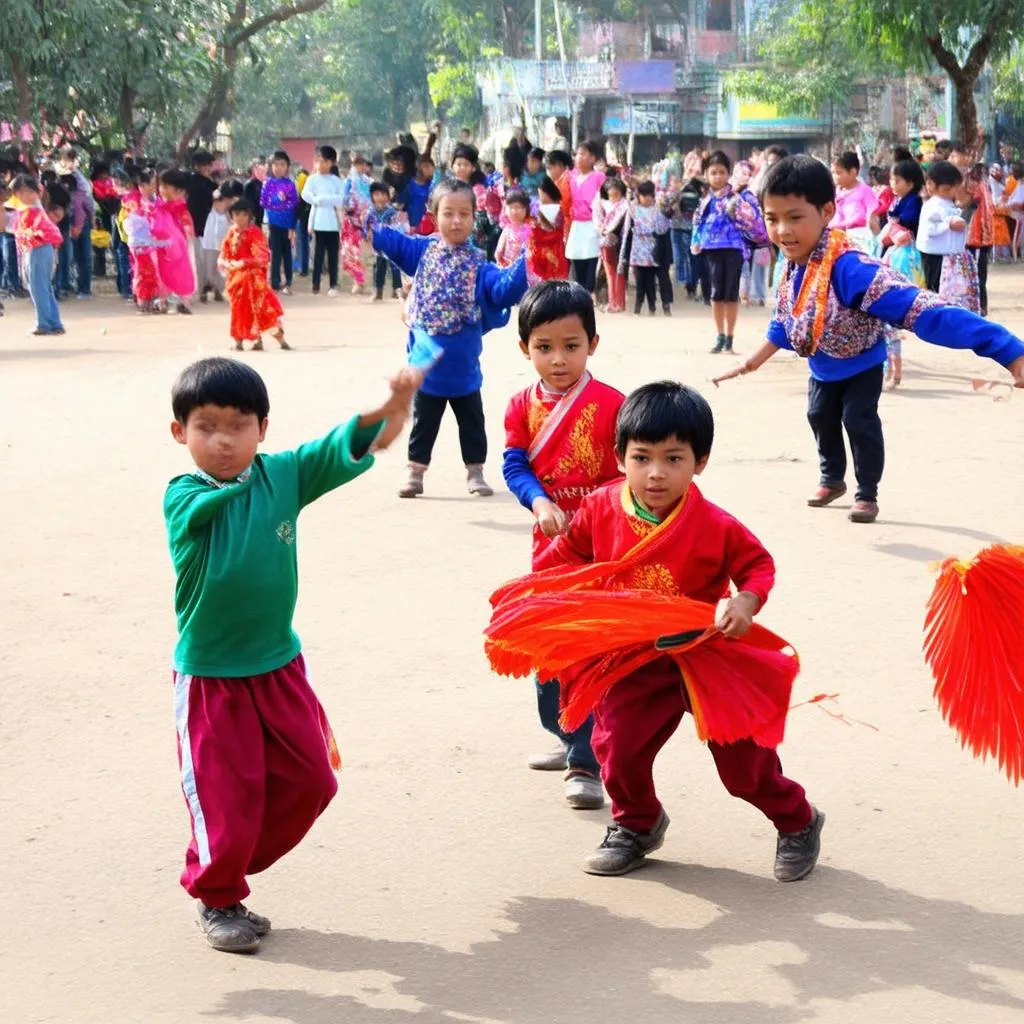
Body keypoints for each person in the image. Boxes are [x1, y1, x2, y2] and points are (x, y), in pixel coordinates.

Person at [165, 356, 418, 953]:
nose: (224, 441)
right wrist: (271, 474)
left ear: (263, 427)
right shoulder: (183, 494)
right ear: (180, 433)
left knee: (312, 782)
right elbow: (217, 499)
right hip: (211, 678)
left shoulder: (284, 475)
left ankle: (225, 862)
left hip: (279, 666)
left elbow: (360, 441)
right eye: (206, 427)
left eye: (239, 425)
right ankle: (218, 892)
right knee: (226, 796)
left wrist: (394, 406)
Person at [526, 382, 823, 880]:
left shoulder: (715, 524)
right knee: (617, 752)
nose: (656, 473)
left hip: (708, 656)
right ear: (620, 457)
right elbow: (565, 561)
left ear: (699, 462)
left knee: (744, 769)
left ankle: (798, 820)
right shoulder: (600, 508)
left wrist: (745, 601)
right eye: (642, 458)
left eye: (673, 458)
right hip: (633, 660)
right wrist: (545, 602)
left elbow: (757, 566)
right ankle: (637, 825)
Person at [719, 155, 1024, 523]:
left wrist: (1007, 350)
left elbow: (927, 311)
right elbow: (786, 320)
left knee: (858, 420)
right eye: (773, 218)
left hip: (862, 363)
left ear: (827, 211)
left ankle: (867, 493)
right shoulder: (794, 262)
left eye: (795, 217)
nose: (783, 230)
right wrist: (753, 361)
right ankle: (832, 479)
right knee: (819, 415)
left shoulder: (851, 270)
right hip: (822, 366)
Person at [502, 280, 624, 809]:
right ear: (524, 347)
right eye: (544, 348)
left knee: (589, 648)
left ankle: (585, 760)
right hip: (548, 546)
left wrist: (603, 516)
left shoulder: (614, 405)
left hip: (602, 549)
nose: (558, 360)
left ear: (592, 344)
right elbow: (515, 464)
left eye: (571, 346)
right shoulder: (519, 406)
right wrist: (538, 502)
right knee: (549, 646)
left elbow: (630, 474)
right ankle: (563, 732)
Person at [369, 179, 530, 499]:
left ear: (474, 218)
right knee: (423, 426)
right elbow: (391, 242)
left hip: (465, 373)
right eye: (448, 213)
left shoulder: (480, 265)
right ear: (433, 214)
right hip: (428, 371)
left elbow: (504, 289)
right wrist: (364, 223)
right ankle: (415, 473)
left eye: (464, 214)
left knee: (472, 425)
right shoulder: (422, 252)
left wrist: (530, 260)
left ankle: (475, 472)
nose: (456, 221)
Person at [692, 151, 764, 353]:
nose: (718, 177)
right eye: (713, 172)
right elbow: (697, 223)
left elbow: (752, 221)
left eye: (722, 172)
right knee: (715, 293)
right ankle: (719, 336)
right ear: (706, 174)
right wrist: (696, 243)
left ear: (729, 173)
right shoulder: (705, 200)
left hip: (734, 248)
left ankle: (730, 338)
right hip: (712, 249)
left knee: (731, 294)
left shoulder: (738, 198)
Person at [218, 199, 290, 352]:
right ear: (232, 216)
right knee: (238, 310)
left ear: (249, 216)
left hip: (253, 280)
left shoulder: (255, 232)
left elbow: (262, 256)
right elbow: (224, 254)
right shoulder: (231, 232)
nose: (240, 218)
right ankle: (240, 342)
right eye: (237, 214)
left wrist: (244, 263)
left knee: (263, 309)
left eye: (243, 215)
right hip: (236, 280)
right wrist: (224, 262)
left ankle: (280, 340)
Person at [917, 160, 977, 311]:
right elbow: (930, 230)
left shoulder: (947, 204)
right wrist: (948, 225)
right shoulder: (933, 205)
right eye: (947, 189)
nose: (952, 192)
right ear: (931, 185)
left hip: (949, 256)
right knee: (937, 290)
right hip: (935, 256)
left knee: (949, 291)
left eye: (955, 188)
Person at [10, 173, 64, 335]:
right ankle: (54, 323)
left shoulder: (31, 211)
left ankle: (44, 323)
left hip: (37, 249)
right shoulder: (31, 209)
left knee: (38, 287)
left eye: (20, 192)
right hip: (41, 249)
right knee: (44, 287)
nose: (18, 195)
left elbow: (25, 232)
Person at [949, 143, 994, 315]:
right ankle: (976, 304)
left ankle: (978, 305)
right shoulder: (969, 175)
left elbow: (968, 201)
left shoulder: (970, 176)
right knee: (974, 270)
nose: (952, 159)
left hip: (976, 231)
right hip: (978, 230)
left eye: (955, 155)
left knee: (976, 271)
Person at [619, 180, 671, 316]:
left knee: (653, 279)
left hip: (654, 249)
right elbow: (626, 230)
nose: (647, 199)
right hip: (638, 249)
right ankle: (638, 307)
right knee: (640, 280)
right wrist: (623, 254)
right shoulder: (632, 208)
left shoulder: (657, 209)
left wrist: (664, 211)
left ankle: (655, 306)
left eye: (649, 195)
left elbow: (662, 229)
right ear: (639, 196)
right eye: (643, 195)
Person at [301, 145, 346, 297]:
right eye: (318, 161)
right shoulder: (312, 179)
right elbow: (305, 194)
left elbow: (340, 199)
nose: (320, 164)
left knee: (333, 256)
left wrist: (322, 199)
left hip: (333, 225)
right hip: (318, 223)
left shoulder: (336, 181)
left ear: (331, 162)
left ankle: (333, 284)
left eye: (324, 161)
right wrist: (316, 200)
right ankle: (315, 283)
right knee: (318, 255)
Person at [565, 141, 606, 296]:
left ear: (592, 158)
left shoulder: (598, 177)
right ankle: (578, 291)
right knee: (576, 257)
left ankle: (590, 291)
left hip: (593, 223)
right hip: (576, 223)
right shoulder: (571, 177)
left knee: (592, 257)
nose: (579, 157)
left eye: (583, 154)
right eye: (577, 154)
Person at [157, 168, 198, 314]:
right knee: (163, 272)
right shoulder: (160, 207)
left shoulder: (181, 209)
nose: (162, 190)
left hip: (180, 248)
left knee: (182, 272)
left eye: (166, 187)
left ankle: (184, 300)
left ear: (179, 191)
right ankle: (164, 300)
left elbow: (187, 228)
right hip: (163, 246)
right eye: (161, 186)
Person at [259, 149, 299, 296]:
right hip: (273, 225)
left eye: (282, 164)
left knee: (287, 254)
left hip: (288, 226)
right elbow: (264, 202)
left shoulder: (290, 184)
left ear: (287, 166)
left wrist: (292, 226)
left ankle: (288, 281)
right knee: (274, 253)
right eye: (275, 164)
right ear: (271, 166)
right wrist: (277, 201)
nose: (278, 167)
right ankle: (274, 281)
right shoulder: (267, 184)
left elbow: (294, 204)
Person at [57, 148, 95, 298]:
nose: (67, 162)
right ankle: (66, 285)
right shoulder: (60, 178)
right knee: (68, 255)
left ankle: (84, 288)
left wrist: (79, 224)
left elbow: (82, 204)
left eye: (69, 159)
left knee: (83, 256)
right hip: (66, 222)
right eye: (65, 159)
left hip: (80, 222)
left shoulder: (79, 181)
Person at [830, 150, 879, 252]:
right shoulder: (837, 192)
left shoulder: (865, 191)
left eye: (838, 173)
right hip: (837, 239)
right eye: (833, 173)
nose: (835, 177)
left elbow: (872, 217)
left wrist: (877, 242)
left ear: (853, 172)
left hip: (860, 240)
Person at [363, 181, 403, 301]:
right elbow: (366, 224)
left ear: (388, 196)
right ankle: (378, 290)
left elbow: (396, 224)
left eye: (382, 194)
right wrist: (366, 235)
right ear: (372, 196)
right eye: (376, 194)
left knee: (395, 266)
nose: (380, 197)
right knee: (379, 266)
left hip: (391, 243)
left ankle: (397, 290)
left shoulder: (391, 211)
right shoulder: (370, 211)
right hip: (378, 244)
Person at [186, 150, 218, 299]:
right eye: (204, 165)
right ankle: (200, 287)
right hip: (196, 225)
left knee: (208, 257)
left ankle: (208, 284)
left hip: (209, 226)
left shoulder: (210, 183)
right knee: (198, 258)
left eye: (209, 165)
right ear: (196, 166)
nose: (207, 168)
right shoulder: (193, 181)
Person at [527, 176, 569, 283]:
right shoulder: (558, 209)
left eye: (541, 193)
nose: (540, 196)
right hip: (552, 252)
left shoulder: (550, 210)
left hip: (548, 251)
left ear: (547, 193)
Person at [595, 177, 628, 313]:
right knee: (610, 274)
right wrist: (602, 230)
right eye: (611, 195)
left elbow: (625, 227)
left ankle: (618, 303)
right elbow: (597, 219)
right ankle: (612, 302)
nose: (614, 198)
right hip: (606, 242)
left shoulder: (625, 206)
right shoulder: (602, 205)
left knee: (619, 273)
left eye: (617, 195)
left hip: (620, 243)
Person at [198, 189, 230, 304]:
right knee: (208, 271)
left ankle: (218, 290)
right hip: (209, 246)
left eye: (222, 201)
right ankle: (207, 290)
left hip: (221, 247)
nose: (220, 204)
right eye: (217, 201)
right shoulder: (210, 214)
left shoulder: (226, 217)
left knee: (219, 269)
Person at [495, 189, 533, 268]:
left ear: (526, 209)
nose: (514, 211)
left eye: (518, 207)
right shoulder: (507, 229)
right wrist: (498, 256)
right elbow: (499, 249)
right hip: (508, 268)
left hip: (524, 268)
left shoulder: (530, 229)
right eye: (511, 207)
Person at [242, 161, 266, 227]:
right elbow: (246, 201)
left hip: (260, 213)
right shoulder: (249, 184)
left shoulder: (261, 183)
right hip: (252, 215)